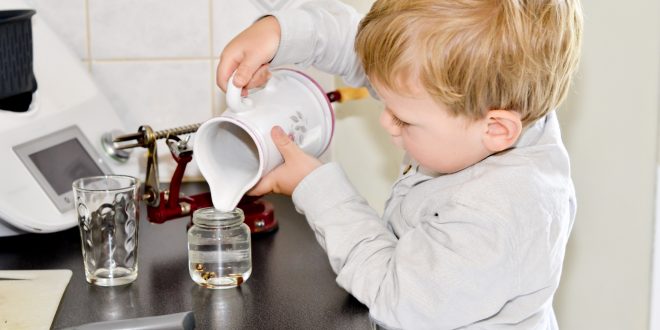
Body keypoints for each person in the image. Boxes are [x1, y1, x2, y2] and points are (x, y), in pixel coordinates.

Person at [216, 0, 583, 328]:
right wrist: (283, 34)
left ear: (497, 129)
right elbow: (364, 50)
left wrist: (316, 189)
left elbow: (400, 299)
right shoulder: (483, 107)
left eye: (404, 119)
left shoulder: (499, 211)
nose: (386, 121)